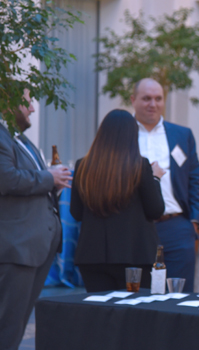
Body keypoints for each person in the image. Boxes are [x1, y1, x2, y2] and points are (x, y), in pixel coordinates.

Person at [0, 90, 72, 350]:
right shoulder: (2, 135)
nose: (32, 109)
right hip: (16, 249)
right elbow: (7, 179)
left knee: (17, 325)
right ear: (8, 101)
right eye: (28, 102)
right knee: (8, 326)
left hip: (35, 248)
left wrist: (54, 183)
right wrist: (49, 178)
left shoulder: (21, 140)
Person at [70, 109, 165, 292]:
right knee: (132, 315)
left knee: (99, 315)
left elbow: (76, 213)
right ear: (132, 135)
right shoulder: (140, 165)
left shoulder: (83, 166)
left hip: (92, 255)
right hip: (134, 255)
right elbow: (155, 210)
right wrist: (156, 179)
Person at [131, 78, 199, 293]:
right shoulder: (125, 135)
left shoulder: (182, 135)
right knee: (141, 293)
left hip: (177, 227)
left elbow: (194, 180)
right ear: (133, 100)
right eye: (146, 99)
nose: (152, 104)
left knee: (180, 296)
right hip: (138, 226)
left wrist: (194, 221)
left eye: (157, 98)